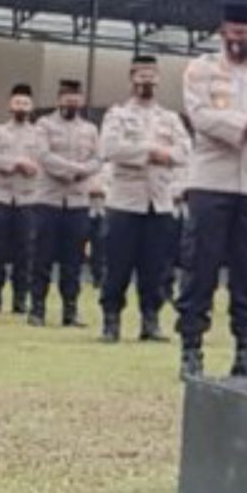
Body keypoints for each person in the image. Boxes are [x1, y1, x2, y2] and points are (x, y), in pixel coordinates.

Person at [178, 0, 247, 379]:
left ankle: (245, 348)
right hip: (211, 182)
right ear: (223, 31)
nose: (244, 40)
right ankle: (191, 348)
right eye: (237, 33)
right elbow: (201, 115)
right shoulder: (201, 70)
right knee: (199, 268)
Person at [97, 56, 188, 346]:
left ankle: (151, 320)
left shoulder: (170, 118)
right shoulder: (118, 115)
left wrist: (166, 156)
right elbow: (110, 148)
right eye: (141, 75)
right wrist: (151, 152)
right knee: (118, 266)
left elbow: (185, 153)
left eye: (151, 75)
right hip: (125, 202)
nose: (146, 80)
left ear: (158, 79)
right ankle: (111, 321)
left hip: (159, 202)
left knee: (156, 268)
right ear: (131, 78)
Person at [27, 78, 100, 328]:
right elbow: (43, 156)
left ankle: (70, 310)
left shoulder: (90, 129)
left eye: (76, 98)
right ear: (59, 99)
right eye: (67, 98)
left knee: (74, 261)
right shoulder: (43, 124)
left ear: (81, 100)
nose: (72, 102)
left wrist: (84, 170)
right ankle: (37, 309)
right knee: (42, 258)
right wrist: (74, 170)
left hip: (78, 202)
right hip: (48, 200)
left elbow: (98, 159)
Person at [0, 85, 43, 317]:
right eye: (17, 103)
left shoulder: (39, 134)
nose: (21, 108)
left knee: (25, 253)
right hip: (1, 198)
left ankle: (20, 301)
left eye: (25, 104)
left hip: (28, 199)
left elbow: (45, 162)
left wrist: (34, 168)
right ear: (9, 105)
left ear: (32, 107)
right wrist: (16, 163)